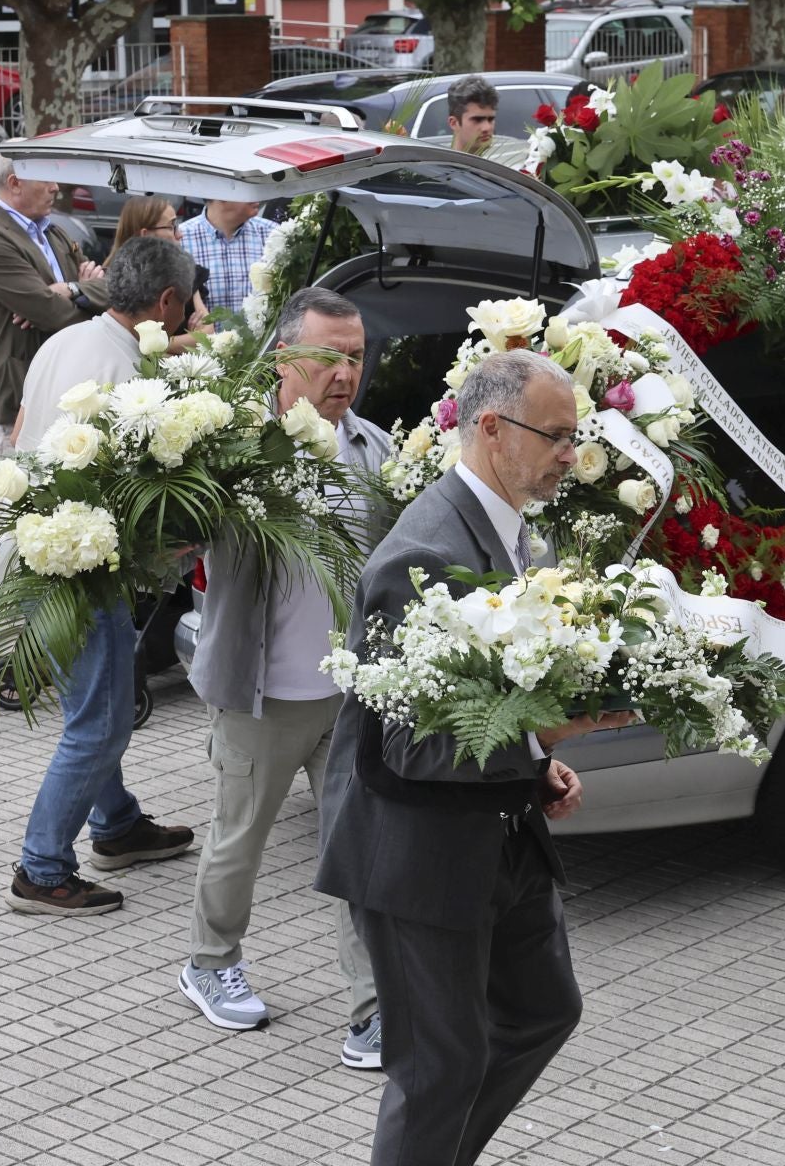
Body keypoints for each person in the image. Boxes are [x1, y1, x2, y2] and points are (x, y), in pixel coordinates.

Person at [316, 350, 631, 1166]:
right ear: (491, 429)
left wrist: (533, 761)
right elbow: (400, 745)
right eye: (557, 435)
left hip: (498, 831)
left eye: (575, 435)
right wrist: (545, 736)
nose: (572, 453)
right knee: (438, 1069)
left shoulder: (512, 528)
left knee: (542, 1011)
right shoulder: (419, 554)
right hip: (416, 855)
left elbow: (487, 702)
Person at [177, 287, 392, 1067]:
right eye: (328, 354)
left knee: (359, 847)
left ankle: (372, 1006)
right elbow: (175, 538)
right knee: (240, 840)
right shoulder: (232, 448)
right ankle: (209, 964)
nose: (345, 373)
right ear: (283, 357)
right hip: (261, 693)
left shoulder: (373, 451)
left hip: (346, 695)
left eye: (357, 356)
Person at [4, 236, 199, 916]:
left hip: (43, 554)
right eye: (186, 301)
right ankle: (41, 866)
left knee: (100, 707)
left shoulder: (68, 341)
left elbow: (22, 431)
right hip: (80, 568)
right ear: (168, 300)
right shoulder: (127, 371)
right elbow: (132, 487)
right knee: (99, 721)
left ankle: (116, 825)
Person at [0, 153, 108, 457]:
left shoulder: (52, 230)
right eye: (46, 178)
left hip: (70, 387)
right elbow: (52, 313)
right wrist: (79, 297)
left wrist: (71, 289)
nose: (56, 187)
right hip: (21, 398)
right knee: (22, 497)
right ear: (15, 183)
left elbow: (111, 290)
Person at [112, 198, 212, 350]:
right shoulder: (117, 280)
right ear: (146, 235)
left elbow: (207, 334)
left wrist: (152, 345)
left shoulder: (185, 272)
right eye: (172, 226)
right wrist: (179, 343)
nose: (180, 234)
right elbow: (125, 339)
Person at [180, 198, 274, 318]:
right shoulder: (181, 239)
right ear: (220, 193)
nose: (255, 195)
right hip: (204, 336)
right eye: (245, 185)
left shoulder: (273, 234)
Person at [447, 74, 500, 154]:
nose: (487, 128)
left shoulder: (502, 163)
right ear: (454, 123)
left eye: (490, 119)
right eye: (477, 120)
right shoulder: (438, 165)